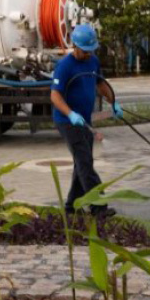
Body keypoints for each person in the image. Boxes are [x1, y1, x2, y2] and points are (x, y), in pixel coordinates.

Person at [50, 23, 123, 217]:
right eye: (85, 50)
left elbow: (100, 84)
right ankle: (98, 207)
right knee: (85, 162)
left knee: (82, 163)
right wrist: (70, 114)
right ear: (75, 46)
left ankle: (71, 207)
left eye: (91, 50)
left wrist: (113, 103)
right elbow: (55, 96)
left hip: (85, 121)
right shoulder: (64, 66)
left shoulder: (93, 61)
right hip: (68, 121)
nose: (88, 54)